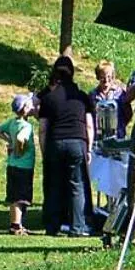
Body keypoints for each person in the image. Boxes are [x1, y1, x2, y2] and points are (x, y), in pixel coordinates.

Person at [35, 56, 94, 238]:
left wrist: (45, 152)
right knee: (77, 185)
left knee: (53, 184)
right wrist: (89, 148)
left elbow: (43, 129)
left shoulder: (48, 98)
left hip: (55, 142)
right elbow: (89, 125)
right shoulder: (82, 97)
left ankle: (52, 226)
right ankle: (78, 227)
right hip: (77, 142)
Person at [0, 93, 37, 235]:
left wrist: (9, 141)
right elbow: (20, 138)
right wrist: (18, 149)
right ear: (24, 109)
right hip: (23, 167)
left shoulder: (12, 122)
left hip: (12, 165)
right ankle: (16, 226)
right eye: (29, 105)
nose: (32, 106)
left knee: (13, 195)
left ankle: (17, 223)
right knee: (20, 197)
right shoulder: (26, 126)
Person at [90, 60, 131, 145]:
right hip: (98, 137)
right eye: (102, 77)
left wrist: (120, 126)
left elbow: (128, 114)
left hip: (117, 135)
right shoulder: (92, 95)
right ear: (98, 77)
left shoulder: (120, 93)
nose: (106, 80)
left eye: (109, 77)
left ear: (113, 77)